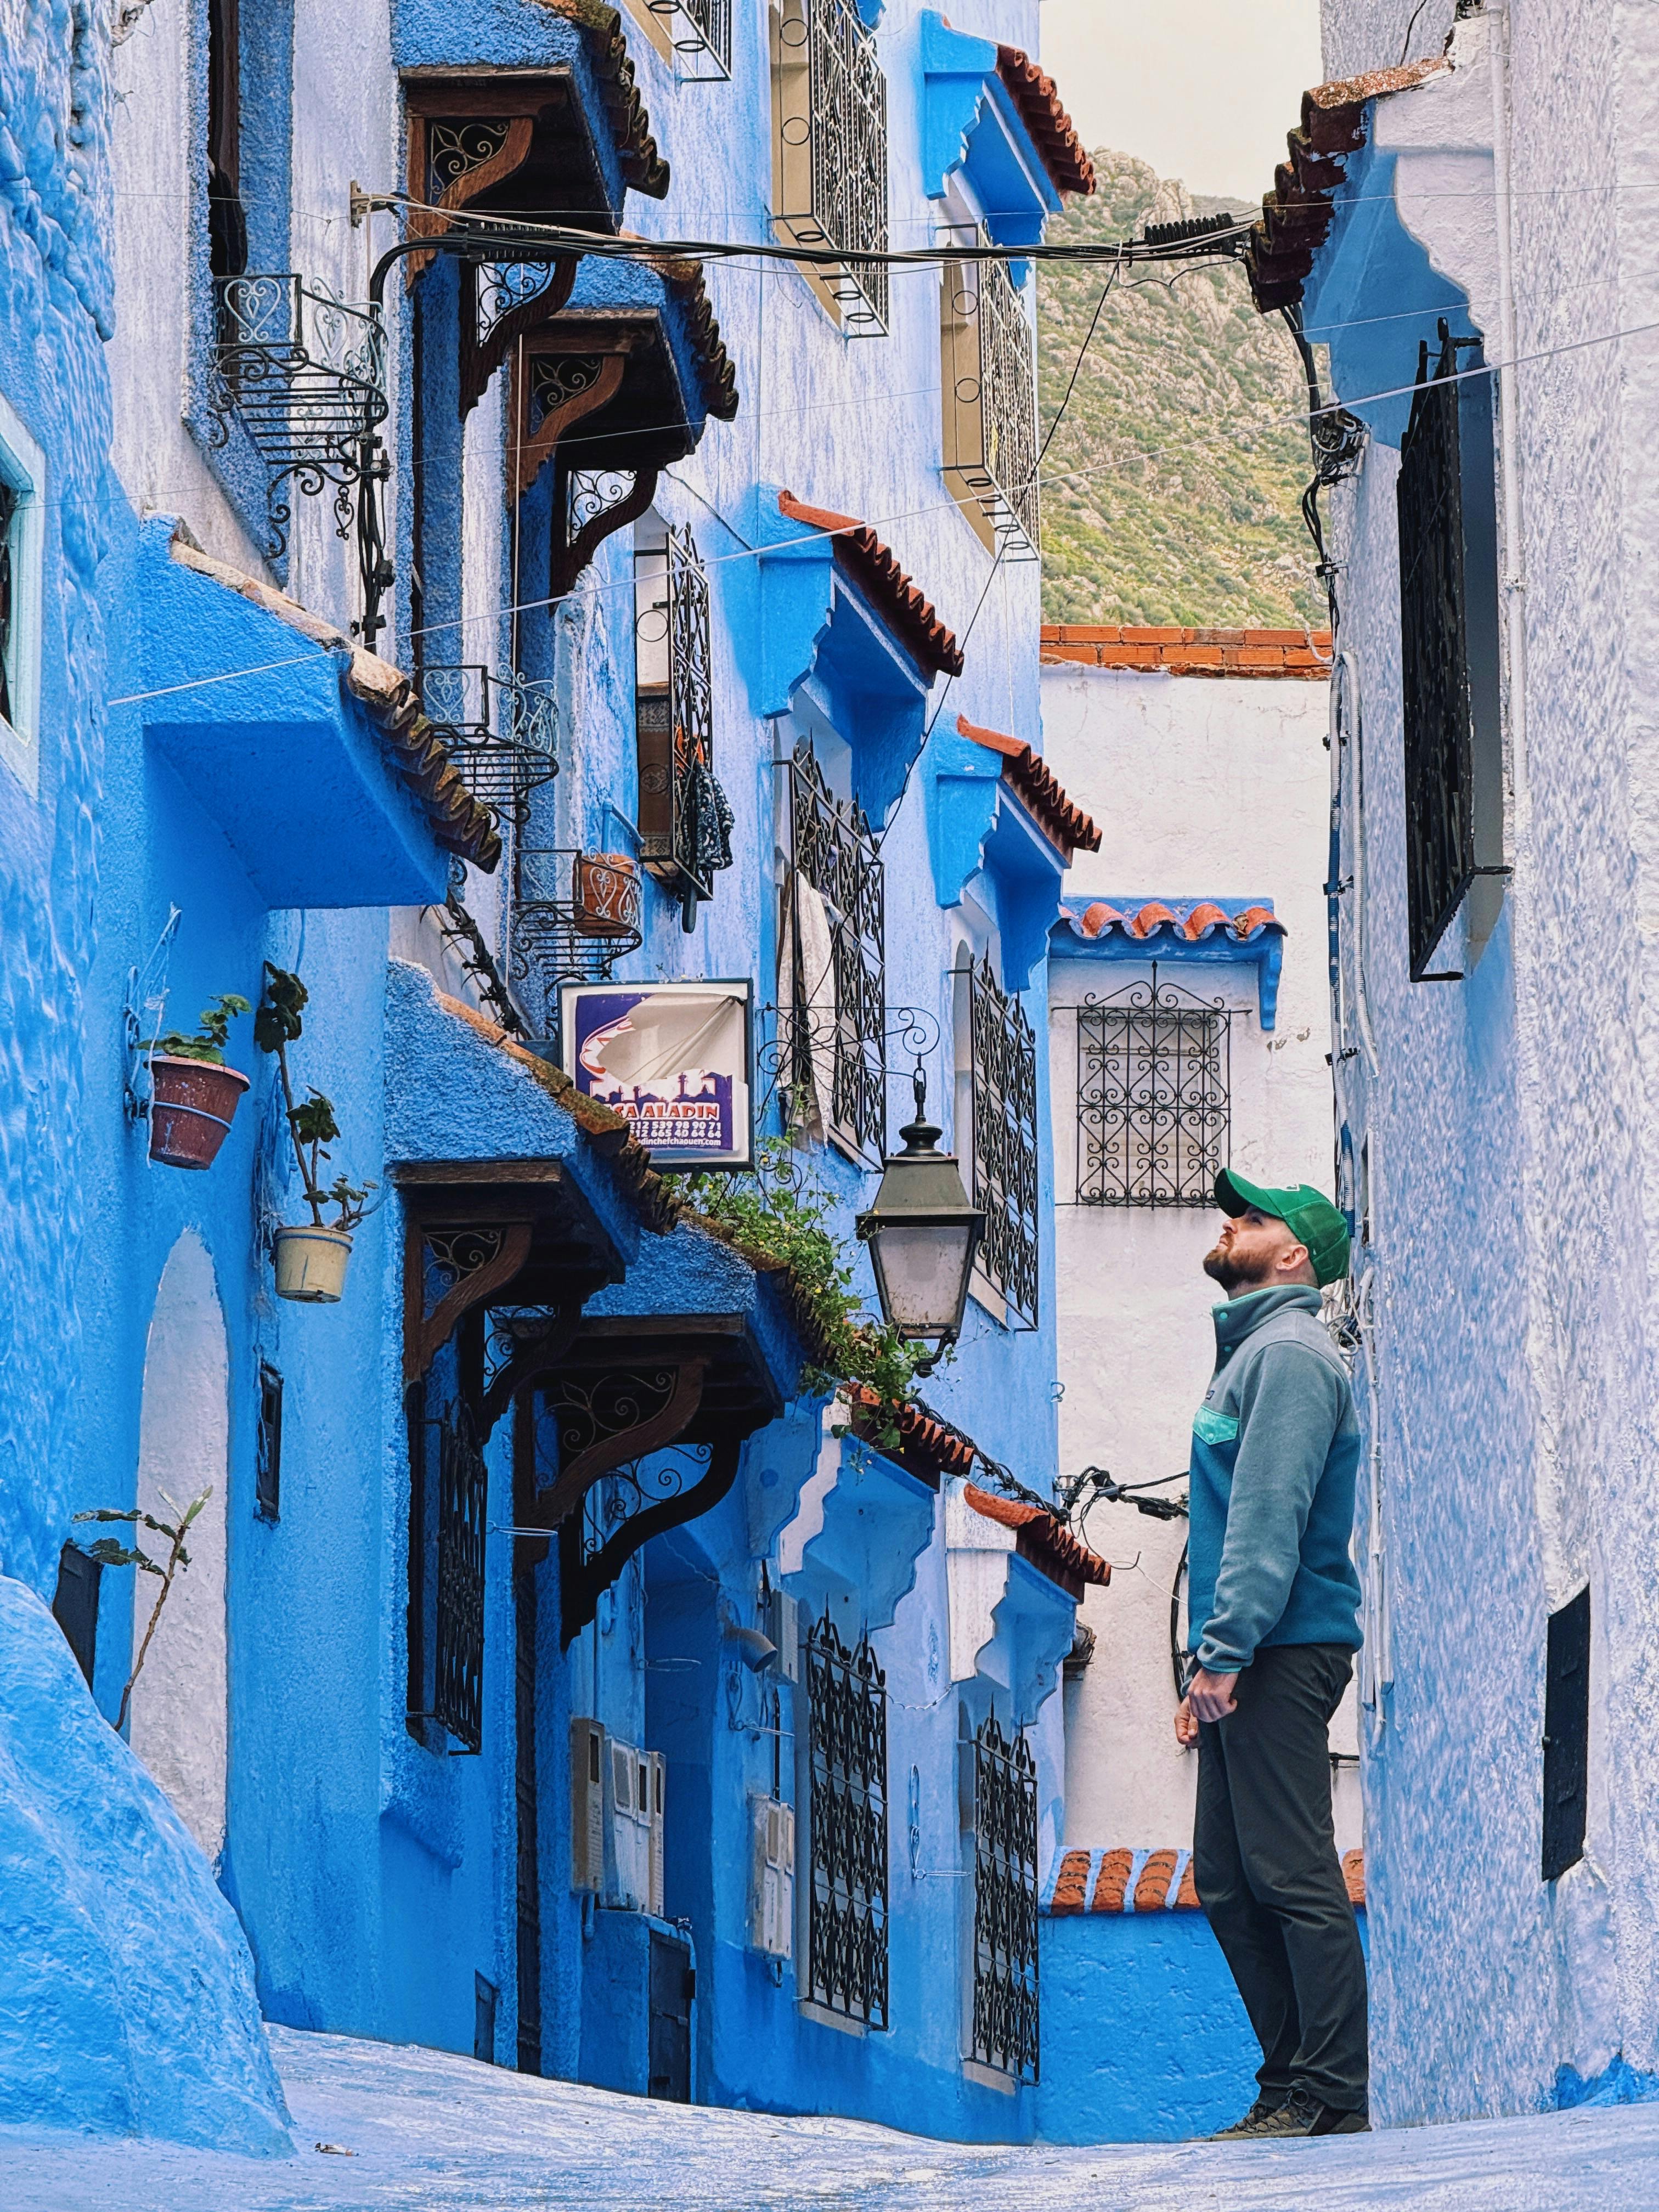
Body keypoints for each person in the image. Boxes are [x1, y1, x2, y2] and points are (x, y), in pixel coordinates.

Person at [1174, 1168, 1367, 2140]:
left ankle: (1329, 2095)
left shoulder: (1290, 1355)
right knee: (1230, 1875)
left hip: (1281, 1649)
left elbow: (1265, 1521)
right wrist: (1206, 1665)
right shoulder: (1253, 1356)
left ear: (1292, 1255)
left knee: (1291, 1873)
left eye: (1248, 1219)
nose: (1230, 1224)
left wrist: (1227, 1652)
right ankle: (1292, 2081)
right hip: (1252, 1651)